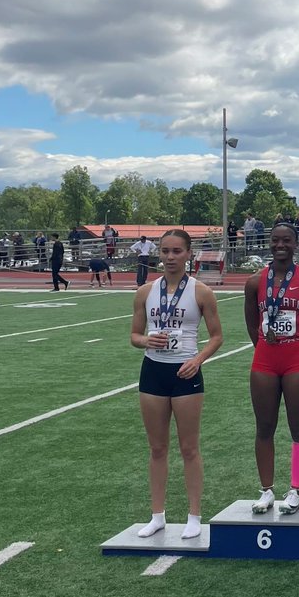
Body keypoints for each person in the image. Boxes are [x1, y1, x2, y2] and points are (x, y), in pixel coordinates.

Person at [130, 229, 224, 539]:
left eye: (176, 251)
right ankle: (157, 515)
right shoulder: (145, 292)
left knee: (189, 448)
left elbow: (216, 337)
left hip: (186, 374)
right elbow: (134, 336)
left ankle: (194, 515)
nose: (170, 257)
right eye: (165, 251)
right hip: (153, 372)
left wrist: (197, 360)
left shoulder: (201, 292)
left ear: (188, 254)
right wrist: (147, 340)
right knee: (157, 448)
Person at [242, 223, 299, 515]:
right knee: (264, 427)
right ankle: (266, 490)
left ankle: (296, 489)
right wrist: (264, 348)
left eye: (287, 240)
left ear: (296, 244)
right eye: (276, 240)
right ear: (270, 243)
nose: (281, 245)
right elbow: (252, 324)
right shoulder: (255, 282)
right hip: (265, 361)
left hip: (296, 360)